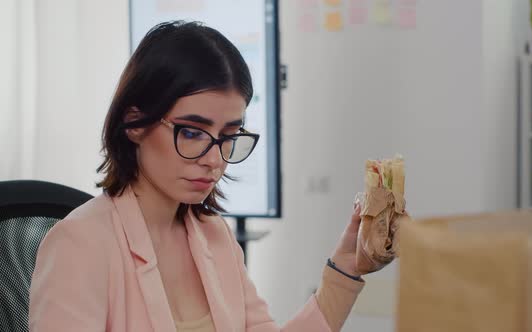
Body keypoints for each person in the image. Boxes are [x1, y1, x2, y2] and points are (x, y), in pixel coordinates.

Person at [29, 21, 375, 332]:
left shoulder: (214, 236)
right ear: (135, 123)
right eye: (192, 133)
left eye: (227, 137)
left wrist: (345, 267)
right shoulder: (80, 244)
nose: (214, 160)